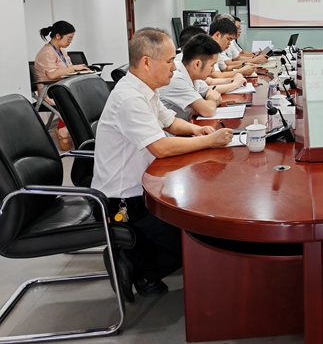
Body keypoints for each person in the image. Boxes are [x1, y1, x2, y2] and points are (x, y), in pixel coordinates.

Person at [92, 28, 233, 301]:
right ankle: (135, 266)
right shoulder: (130, 99)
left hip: (148, 183)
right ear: (147, 62)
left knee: (198, 222)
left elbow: (169, 122)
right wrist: (209, 141)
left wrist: (195, 131)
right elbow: (160, 147)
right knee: (196, 241)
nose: (174, 67)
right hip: (124, 201)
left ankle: (140, 257)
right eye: (169, 61)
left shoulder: (146, 90)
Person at [34, 20, 91, 149]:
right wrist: (73, 69)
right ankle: (64, 130)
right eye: (69, 38)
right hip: (50, 90)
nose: (70, 41)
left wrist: (80, 71)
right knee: (79, 99)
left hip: (62, 87)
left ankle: (69, 130)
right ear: (58, 36)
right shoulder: (47, 52)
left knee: (88, 95)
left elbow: (67, 69)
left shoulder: (62, 51)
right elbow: (52, 75)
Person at [159, 34, 223, 121]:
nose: (213, 70)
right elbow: (209, 110)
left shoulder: (193, 75)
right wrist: (210, 99)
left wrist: (205, 104)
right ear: (197, 64)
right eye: (212, 65)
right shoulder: (175, 78)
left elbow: (217, 98)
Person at [177, 26, 246, 94]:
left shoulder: (193, 72)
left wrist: (233, 80)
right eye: (228, 39)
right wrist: (235, 83)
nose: (213, 70)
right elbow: (216, 78)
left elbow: (208, 86)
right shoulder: (178, 77)